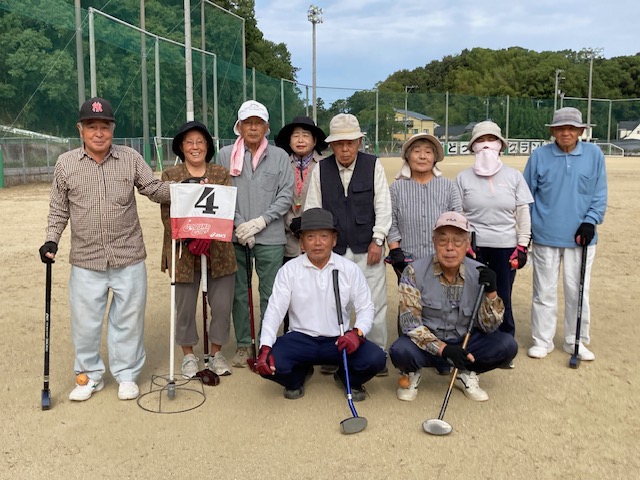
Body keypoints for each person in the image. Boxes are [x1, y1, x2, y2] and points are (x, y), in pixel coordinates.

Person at [38, 97, 171, 402]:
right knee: (84, 324)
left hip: (128, 256)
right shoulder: (66, 164)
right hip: (86, 260)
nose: (98, 133)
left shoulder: (130, 158)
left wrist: (187, 190)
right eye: (91, 126)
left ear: (112, 128)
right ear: (80, 129)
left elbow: (153, 188)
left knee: (128, 320)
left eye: (104, 126)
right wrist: (51, 239)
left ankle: (126, 375)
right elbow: (58, 209)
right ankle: (89, 377)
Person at [255, 208, 386, 400]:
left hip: (339, 340)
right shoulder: (289, 270)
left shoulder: (349, 269)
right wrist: (265, 346)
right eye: (310, 237)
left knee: (376, 359)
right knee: (270, 365)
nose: (317, 243)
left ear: (334, 240)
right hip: (300, 339)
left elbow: (366, 307)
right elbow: (274, 311)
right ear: (301, 243)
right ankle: (298, 376)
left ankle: (345, 377)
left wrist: (357, 334)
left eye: (324, 236)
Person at [389, 211, 518, 402]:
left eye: (458, 241)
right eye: (443, 241)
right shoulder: (413, 271)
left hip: (465, 342)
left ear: (467, 244)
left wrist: (492, 293)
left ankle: (466, 371)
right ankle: (412, 373)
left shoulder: (479, 272)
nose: (450, 248)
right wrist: (443, 349)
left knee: (507, 346)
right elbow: (410, 324)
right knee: (400, 351)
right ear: (434, 242)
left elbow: (489, 326)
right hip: (428, 345)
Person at [304, 113, 392, 375]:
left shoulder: (373, 165)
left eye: (350, 142)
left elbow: (383, 206)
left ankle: (376, 352)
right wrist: (318, 246)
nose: (345, 148)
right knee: (332, 302)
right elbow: (313, 209)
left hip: (369, 248)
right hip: (334, 250)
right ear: (331, 145)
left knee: (373, 302)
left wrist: (378, 239)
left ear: (359, 142)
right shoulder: (321, 169)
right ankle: (333, 352)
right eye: (339, 143)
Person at [523, 107, 607, 361]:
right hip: (545, 235)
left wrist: (591, 221)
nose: (566, 133)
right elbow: (526, 196)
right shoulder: (539, 156)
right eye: (560, 128)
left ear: (581, 130)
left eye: (571, 128)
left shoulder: (594, 154)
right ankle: (542, 339)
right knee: (543, 292)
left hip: (581, 238)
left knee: (578, 291)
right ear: (553, 131)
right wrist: (526, 231)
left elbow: (599, 193)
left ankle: (576, 340)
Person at [216, 100, 294, 367]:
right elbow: (222, 192)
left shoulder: (281, 156)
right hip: (235, 235)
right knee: (239, 291)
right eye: (247, 122)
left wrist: (261, 221)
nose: (252, 128)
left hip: (271, 236)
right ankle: (242, 344)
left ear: (266, 127)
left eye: (258, 123)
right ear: (239, 126)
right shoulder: (225, 155)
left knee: (271, 292)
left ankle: (266, 343)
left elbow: (286, 194)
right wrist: (240, 225)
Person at [160, 121, 237, 378]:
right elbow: (167, 213)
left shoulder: (220, 173)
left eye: (200, 142)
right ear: (181, 147)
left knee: (222, 304)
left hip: (218, 250)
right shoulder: (171, 176)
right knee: (184, 306)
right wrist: (190, 236)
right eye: (189, 142)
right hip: (183, 251)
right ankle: (189, 356)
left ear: (208, 146)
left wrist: (208, 234)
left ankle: (215, 352)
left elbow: (225, 209)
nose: (195, 147)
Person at [456, 121, 533, 343]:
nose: (486, 145)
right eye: (480, 141)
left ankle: (504, 340)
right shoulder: (463, 178)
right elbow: (458, 213)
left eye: (491, 140)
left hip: (506, 246)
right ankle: (473, 340)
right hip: (474, 247)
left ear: (501, 145)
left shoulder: (514, 176)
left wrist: (522, 245)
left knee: (502, 295)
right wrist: (464, 242)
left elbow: (523, 212)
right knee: (472, 295)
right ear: (473, 147)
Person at [274, 116, 327, 331]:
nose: (301, 139)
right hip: (286, 237)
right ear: (289, 140)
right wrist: (291, 223)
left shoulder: (324, 165)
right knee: (291, 290)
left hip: (315, 238)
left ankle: (320, 335)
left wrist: (308, 226)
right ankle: (291, 335)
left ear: (315, 140)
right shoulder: (280, 163)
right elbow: (276, 197)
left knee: (317, 291)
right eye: (296, 135)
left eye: (306, 135)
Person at [387, 132, 462, 279]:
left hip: (442, 259)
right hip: (408, 259)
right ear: (408, 157)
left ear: (434, 158)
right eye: (416, 151)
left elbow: (458, 221)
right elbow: (391, 222)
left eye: (428, 152)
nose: (422, 156)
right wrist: (396, 251)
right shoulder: (396, 188)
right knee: (410, 301)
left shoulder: (448, 186)